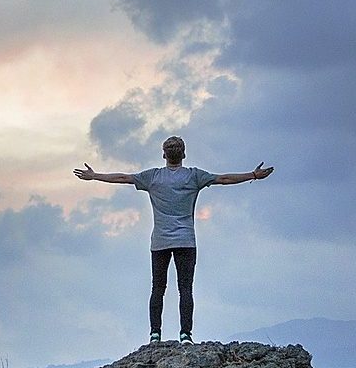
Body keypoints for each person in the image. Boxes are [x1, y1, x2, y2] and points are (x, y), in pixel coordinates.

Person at [74, 136, 274, 344]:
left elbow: (123, 178)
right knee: (185, 289)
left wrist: (94, 176)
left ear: (164, 155)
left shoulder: (152, 177)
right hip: (186, 241)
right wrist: (253, 175)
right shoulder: (194, 176)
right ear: (184, 154)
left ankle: (155, 335)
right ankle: (185, 334)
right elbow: (224, 179)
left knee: (158, 288)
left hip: (160, 242)